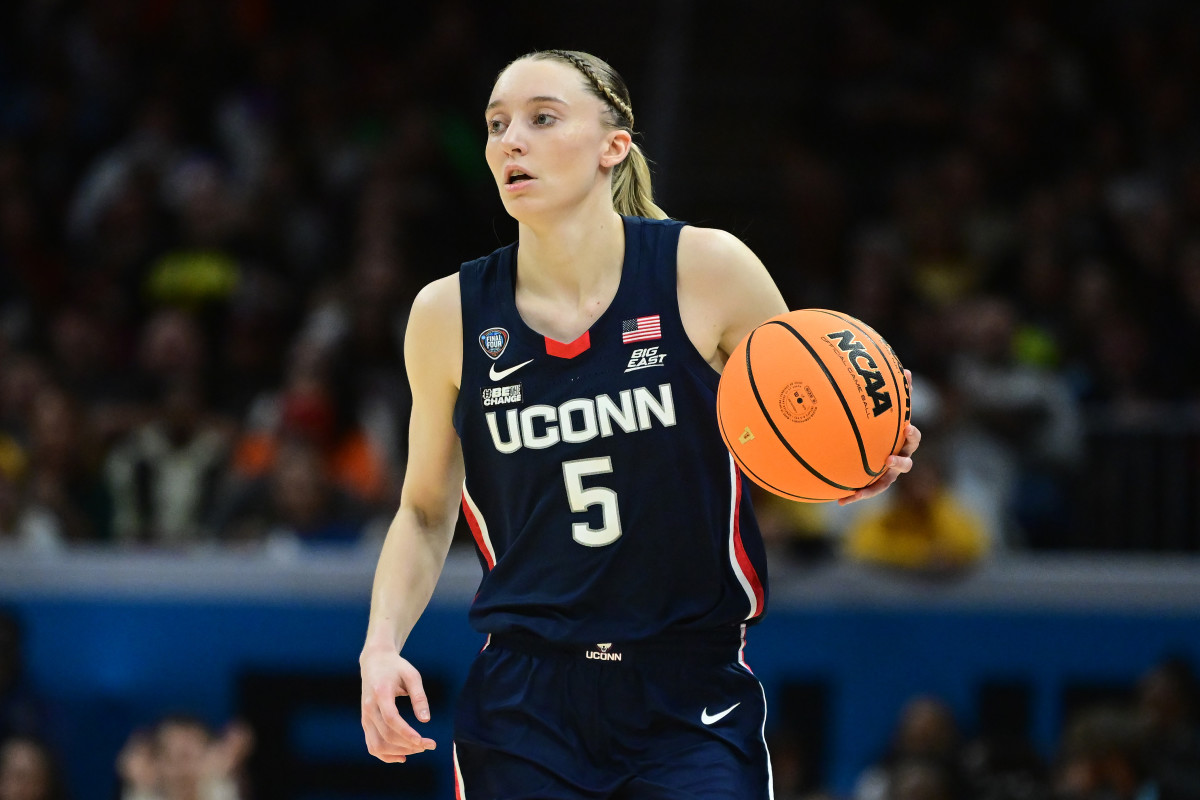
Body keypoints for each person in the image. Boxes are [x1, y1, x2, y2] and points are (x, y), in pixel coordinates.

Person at [358, 49, 920, 798]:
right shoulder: (446, 316)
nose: (509, 142)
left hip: (690, 689)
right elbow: (426, 510)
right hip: (525, 699)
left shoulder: (707, 270)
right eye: (496, 125)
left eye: (541, 118)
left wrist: (861, 453)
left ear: (612, 145)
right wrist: (380, 644)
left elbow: (804, 422)